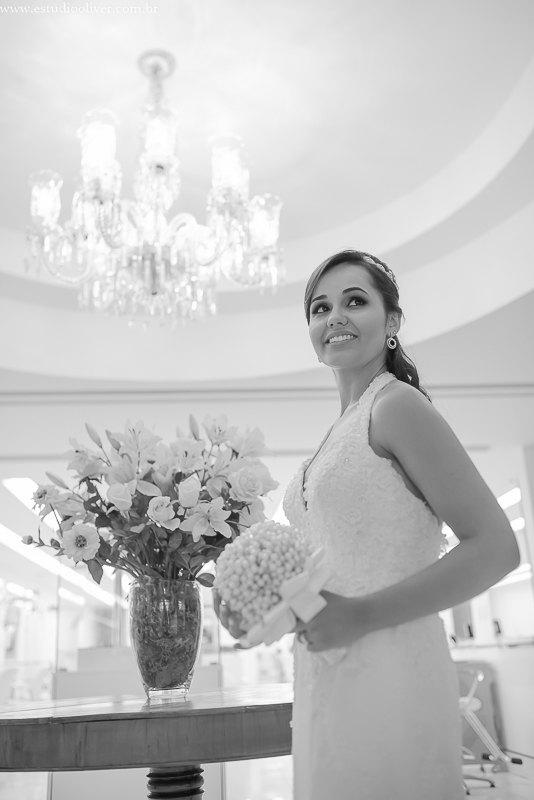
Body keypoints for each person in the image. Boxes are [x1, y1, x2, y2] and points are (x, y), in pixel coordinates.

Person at [215, 249, 520, 799]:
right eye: (320, 307)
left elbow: (497, 547)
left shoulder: (397, 406)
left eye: (355, 301)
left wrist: (360, 616)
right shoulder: (338, 430)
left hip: (393, 663)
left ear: (393, 322)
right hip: (326, 669)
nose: (334, 316)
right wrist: (267, 604)